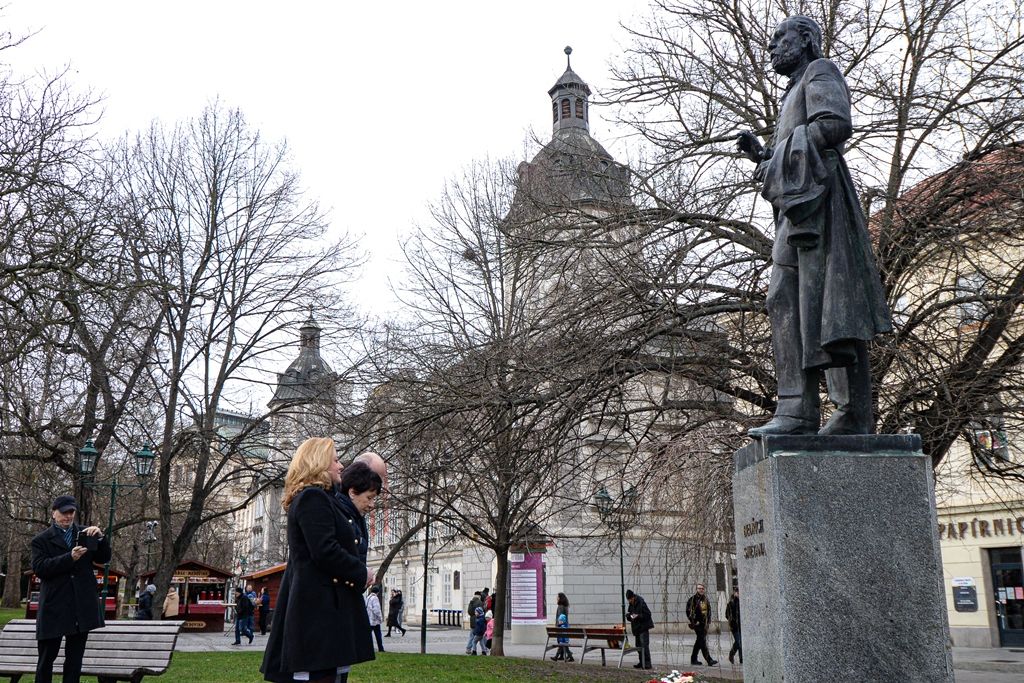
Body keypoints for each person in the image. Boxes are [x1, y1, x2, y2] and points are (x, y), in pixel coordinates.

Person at [737, 15, 891, 437]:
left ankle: (852, 412)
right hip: (798, 211)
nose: (770, 48)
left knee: (831, 305)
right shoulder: (793, 90)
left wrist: (783, 150)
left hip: (821, 206)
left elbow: (835, 124)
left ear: (804, 39)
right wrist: (764, 156)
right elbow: (800, 143)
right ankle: (797, 410)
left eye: (777, 39)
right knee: (784, 299)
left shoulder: (821, 72)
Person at [261, 438, 378, 683]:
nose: (340, 465)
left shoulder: (324, 498)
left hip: (328, 608)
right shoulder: (312, 498)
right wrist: (361, 572)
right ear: (318, 463)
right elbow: (325, 550)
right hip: (317, 610)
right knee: (317, 676)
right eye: (335, 460)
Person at [30, 494, 111, 683]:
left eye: (71, 512)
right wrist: (69, 558)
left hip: (80, 606)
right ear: (53, 514)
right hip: (54, 607)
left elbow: (103, 558)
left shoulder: (85, 534)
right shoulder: (41, 540)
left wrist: (100, 539)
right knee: (46, 659)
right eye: (63, 513)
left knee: (75, 660)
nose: (68, 517)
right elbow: (41, 568)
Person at [686, 583, 717, 666]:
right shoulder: (693, 599)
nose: (701, 590)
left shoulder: (705, 599)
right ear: (696, 589)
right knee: (702, 641)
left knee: (699, 641)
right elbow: (689, 611)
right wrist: (694, 621)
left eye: (702, 588)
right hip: (697, 624)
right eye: (699, 588)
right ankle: (709, 660)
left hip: (705, 624)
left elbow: (709, 611)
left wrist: (708, 620)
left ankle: (693, 659)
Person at [625, 589, 654, 670]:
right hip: (636, 628)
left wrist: (638, 616)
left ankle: (647, 663)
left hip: (643, 627)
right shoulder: (631, 604)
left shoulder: (641, 602)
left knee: (644, 645)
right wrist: (629, 616)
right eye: (629, 600)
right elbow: (631, 615)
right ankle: (641, 662)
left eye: (630, 599)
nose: (630, 601)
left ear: (633, 597)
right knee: (638, 646)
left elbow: (648, 614)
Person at [551, 592, 573, 661]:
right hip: (565, 626)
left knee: (561, 642)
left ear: (560, 598)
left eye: (557, 597)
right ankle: (561, 656)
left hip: (561, 627)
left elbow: (560, 618)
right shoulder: (566, 606)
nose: (556, 598)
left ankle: (558, 656)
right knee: (563, 642)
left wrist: (558, 626)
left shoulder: (560, 606)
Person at [365, 585, 385, 652]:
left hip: (369, 619)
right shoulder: (375, 598)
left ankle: (366, 648)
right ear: (378, 592)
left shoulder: (368, 597)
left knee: (367, 635)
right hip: (374, 620)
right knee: (378, 635)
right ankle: (381, 648)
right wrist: (380, 618)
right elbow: (376, 610)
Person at [726, 587, 742, 665]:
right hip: (735, 627)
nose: (738, 594)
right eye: (737, 592)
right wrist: (732, 621)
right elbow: (727, 615)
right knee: (738, 642)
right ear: (734, 593)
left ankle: (742, 659)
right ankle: (731, 654)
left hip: (742, 626)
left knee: (741, 642)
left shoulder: (743, 603)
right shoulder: (731, 603)